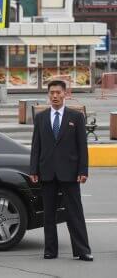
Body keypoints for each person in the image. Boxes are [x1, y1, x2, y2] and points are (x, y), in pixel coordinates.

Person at [30, 80, 93, 261]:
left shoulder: (76, 117)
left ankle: (82, 250)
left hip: (70, 173)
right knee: (48, 214)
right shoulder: (40, 117)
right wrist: (34, 169)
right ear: (48, 95)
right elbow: (36, 146)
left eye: (58, 92)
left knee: (75, 213)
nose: (55, 96)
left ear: (66, 94)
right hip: (47, 172)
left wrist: (83, 170)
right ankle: (50, 250)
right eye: (52, 93)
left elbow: (82, 146)